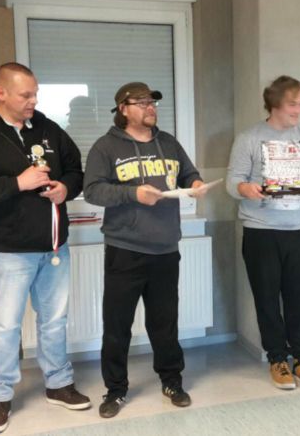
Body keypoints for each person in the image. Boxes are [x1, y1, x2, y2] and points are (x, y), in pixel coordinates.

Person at [0, 62, 89, 434]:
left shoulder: (46, 127)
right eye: (26, 95)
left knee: (54, 322)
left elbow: (76, 169)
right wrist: (18, 183)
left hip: (54, 248)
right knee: (5, 328)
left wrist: (66, 188)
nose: (33, 101)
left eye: (35, 94)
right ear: (2, 93)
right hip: (6, 252)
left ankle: (58, 384)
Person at [83, 82, 205, 419]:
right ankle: (116, 389)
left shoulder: (169, 143)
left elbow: (189, 173)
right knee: (117, 325)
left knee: (165, 323)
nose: (150, 107)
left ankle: (172, 382)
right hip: (124, 249)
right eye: (142, 103)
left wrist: (195, 184)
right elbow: (92, 191)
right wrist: (132, 194)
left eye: (152, 102)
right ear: (123, 109)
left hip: (166, 248)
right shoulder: (106, 147)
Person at [227, 75, 300, 392]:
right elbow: (233, 182)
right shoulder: (249, 138)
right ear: (274, 103)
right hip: (260, 231)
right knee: (267, 299)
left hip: (296, 229)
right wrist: (244, 188)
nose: (298, 110)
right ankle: (277, 359)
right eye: (292, 104)